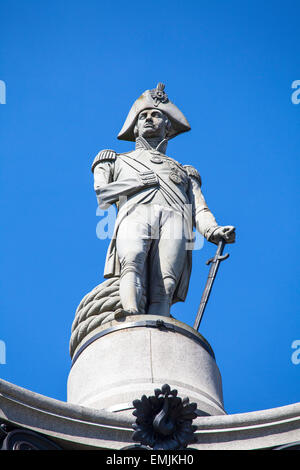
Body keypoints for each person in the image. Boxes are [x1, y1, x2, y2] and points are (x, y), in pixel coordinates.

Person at [92, 83, 235, 318]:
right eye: (143, 116)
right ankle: (131, 316)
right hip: (135, 214)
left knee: (166, 283)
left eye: (155, 115)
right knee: (132, 260)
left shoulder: (185, 171)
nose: (149, 119)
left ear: (167, 126)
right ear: (135, 127)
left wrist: (213, 231)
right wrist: (138, 182)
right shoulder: (114, 160)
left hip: (175, 220)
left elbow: (199, 209)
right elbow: (103, 195)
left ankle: (159, 324)